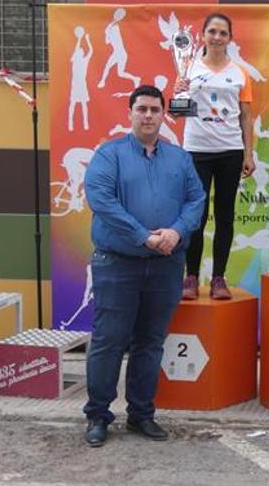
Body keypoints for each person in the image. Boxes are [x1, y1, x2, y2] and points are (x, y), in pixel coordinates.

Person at [82, 85, 205, 447]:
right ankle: (98, 416)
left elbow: (196, 199)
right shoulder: (109, 155)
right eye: (142, 109)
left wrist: (177, 231)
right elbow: (101, 200)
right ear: (130, 113)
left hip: (166, 265)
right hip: (118, 264)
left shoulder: (179, 159)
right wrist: (143, 235)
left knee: (150, 343)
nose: (149, 115)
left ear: (164, 114)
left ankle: (140, 414)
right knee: (108, 342)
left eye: (155, 109)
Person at [176, 13, 255, 301]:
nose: (217, 37)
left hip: (230, 152)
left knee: (225, 216)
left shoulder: (240, 73)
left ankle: (219, 278)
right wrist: (178, 94)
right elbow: (177, 113)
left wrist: (248, 153)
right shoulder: (188, 68)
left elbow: (246, 116)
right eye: (212, 31)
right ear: (203, 35)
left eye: (223, 33)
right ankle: (191, 277)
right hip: (196, 151)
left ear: (230, 38)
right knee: (195, 216)